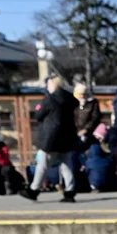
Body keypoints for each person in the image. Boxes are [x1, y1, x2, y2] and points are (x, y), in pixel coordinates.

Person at [25, 75, 78, 203]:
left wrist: (38, 108)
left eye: (48, 84)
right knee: (66, 165)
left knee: (42, 164)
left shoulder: (50, 99)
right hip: (67, 137)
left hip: (51, 138)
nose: (47, 87)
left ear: (54, 84)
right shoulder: (70, 98)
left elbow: (38, 115)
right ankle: (70, 191)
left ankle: (33, 190)